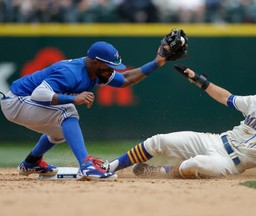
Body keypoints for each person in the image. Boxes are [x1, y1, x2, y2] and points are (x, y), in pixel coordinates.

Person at [0, 40, 168, 180]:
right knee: (67, 111)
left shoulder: (95, 71)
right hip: (17, 101)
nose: (111, 71)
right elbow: (39, 94)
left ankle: (32, 162)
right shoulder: (71, 73)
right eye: (108, 66)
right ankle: (86, 166)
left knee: (62, 130)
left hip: (24, 102)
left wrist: (157, 63)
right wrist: (73, 98)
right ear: (95, 62)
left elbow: (125, 79)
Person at [106, 67, 256, 178]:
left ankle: (162, 172)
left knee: (194, 164)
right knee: (159, 140)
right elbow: (226, 98)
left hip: (228, 163)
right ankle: (111, 166)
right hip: (216, 141)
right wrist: (200, 82)